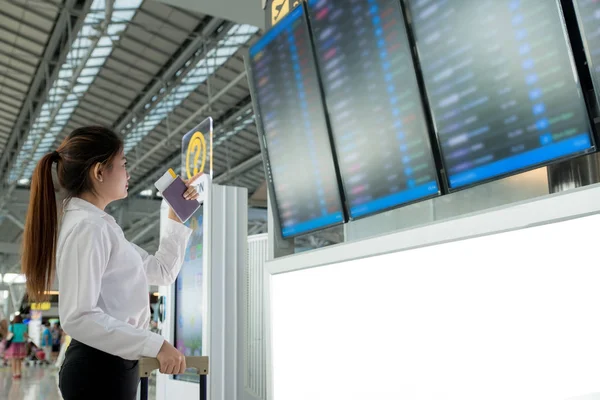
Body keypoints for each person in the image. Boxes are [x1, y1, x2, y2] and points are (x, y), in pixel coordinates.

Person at [21, 126, 199, 399]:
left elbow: (162, 272)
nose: (129, 174)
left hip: (112, 367)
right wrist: (157, 344)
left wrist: (175, 216)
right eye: (123, 165)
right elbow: (78, 316)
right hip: (98, 371)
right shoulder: (88, 227)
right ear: (99, 171)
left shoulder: (101, 226)